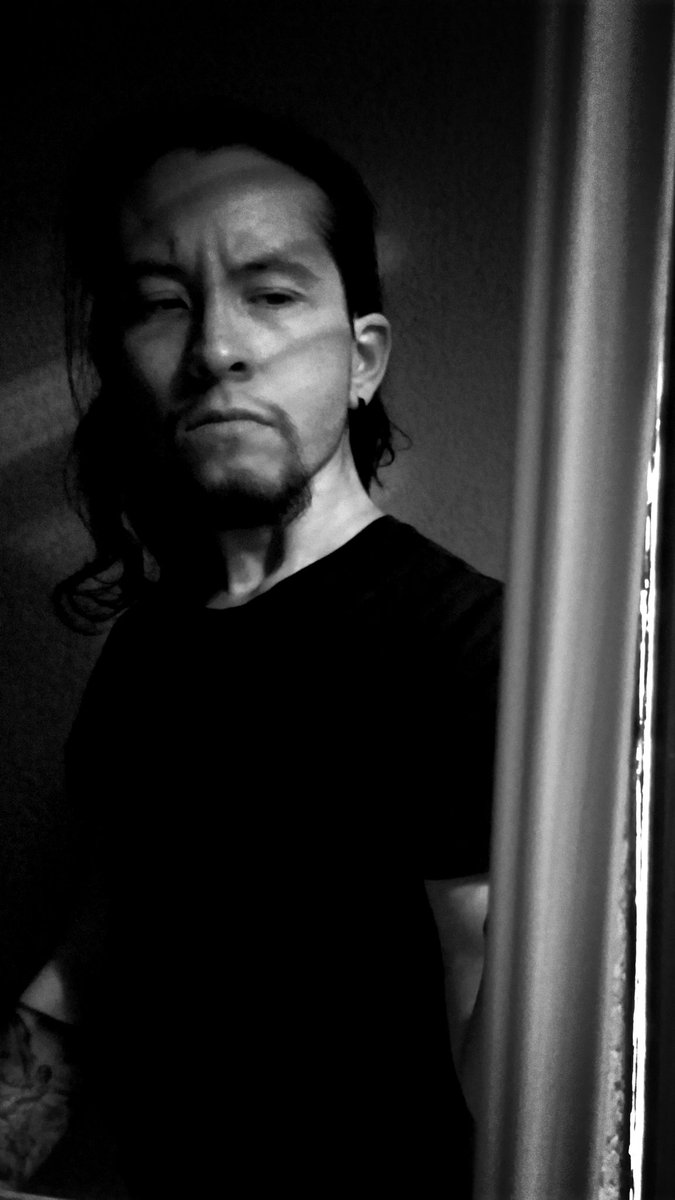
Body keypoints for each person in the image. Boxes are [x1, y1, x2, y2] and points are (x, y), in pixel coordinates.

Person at [1, 101, 501, 1197]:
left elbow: (503, 1055)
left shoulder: (467, 648)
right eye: (160, 304)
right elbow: (90, 963)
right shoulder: (151, 647)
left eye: (272, 294)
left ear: (363, 358)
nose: (216, 350)